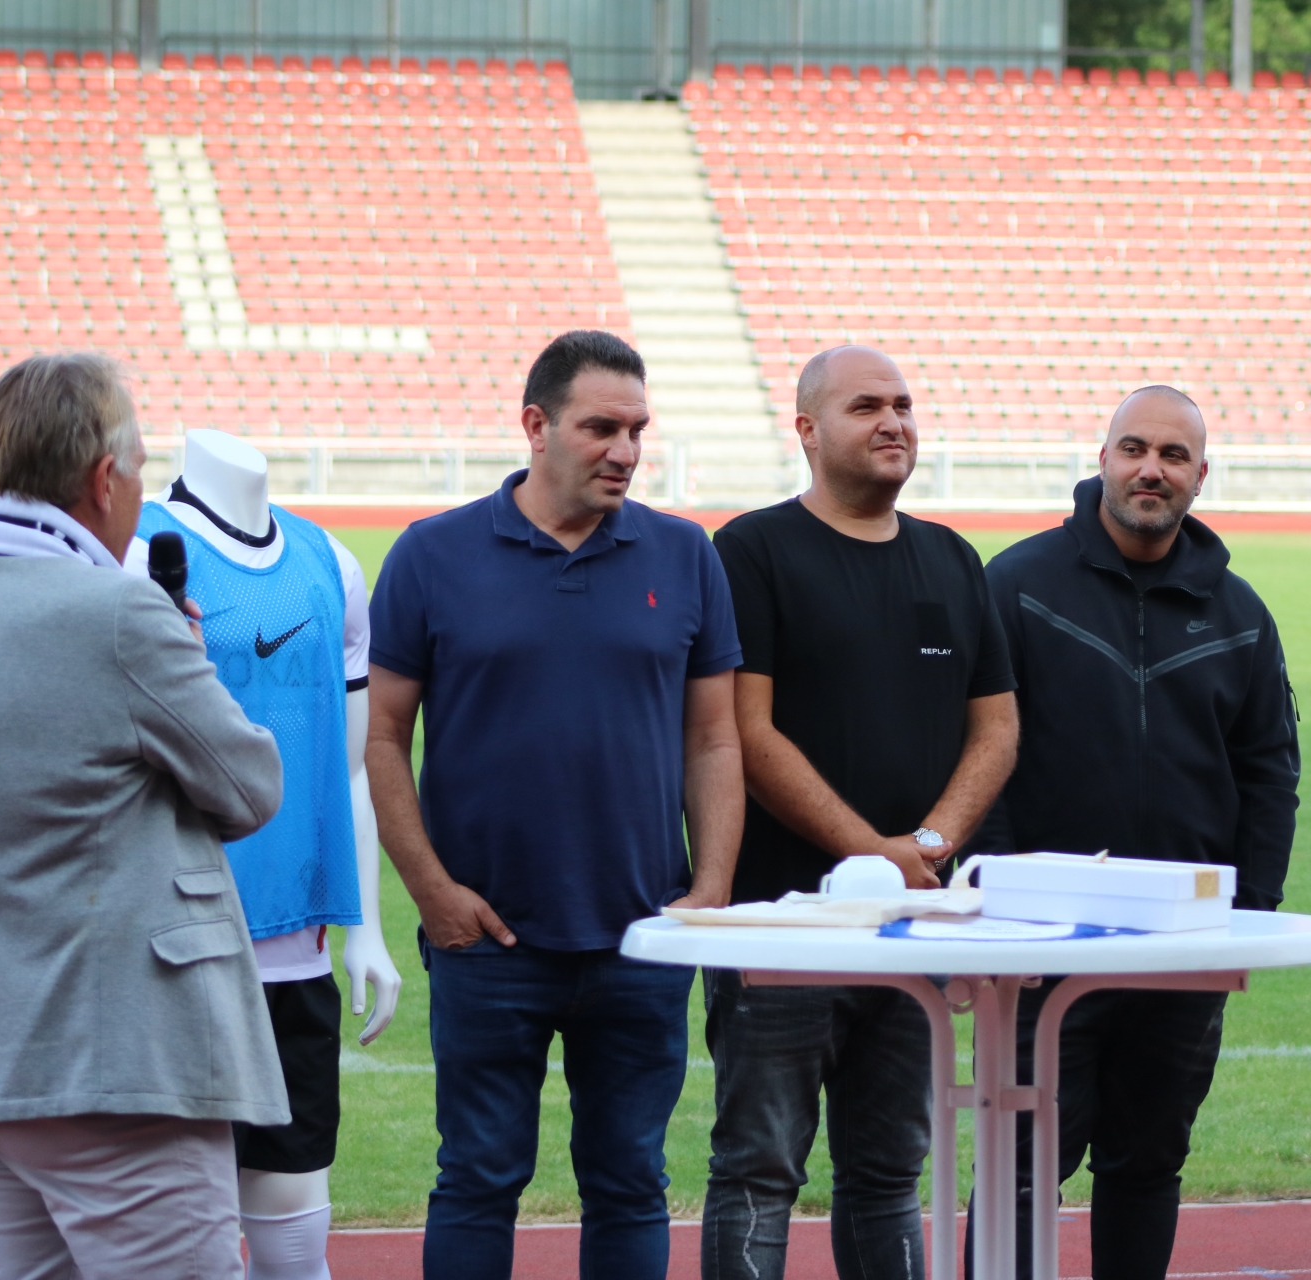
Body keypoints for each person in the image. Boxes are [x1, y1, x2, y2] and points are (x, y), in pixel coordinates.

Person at [0, 352, 289, 1280]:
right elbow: (250, 786)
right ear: (104, 479)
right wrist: (186, 659)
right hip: (114, 1063)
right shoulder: (119, 613)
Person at [367, 330, 745, 1280]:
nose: (625, 450)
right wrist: (433, 893)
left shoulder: (685, 554)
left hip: (643, 938)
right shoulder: (430, 554)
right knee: (478, 1177)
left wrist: (709, 890)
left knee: (630, 1181)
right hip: (487, 938)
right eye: (600, 428)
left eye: (638, 430)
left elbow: (714, 740)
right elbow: (383, 740)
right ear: (536, 425)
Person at [702, 345, 1019, 1280]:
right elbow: (746, 731)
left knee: (889, 1174)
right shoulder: (751, 551)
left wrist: (926, 846)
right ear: (807, 430)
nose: (894, 422)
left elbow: (998, 727)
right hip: (781, 925)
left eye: (904, 405)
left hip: (912, 928)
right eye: (866, 406)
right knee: (759, 1169)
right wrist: (873, 853)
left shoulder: (951, 558)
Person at [975, 385, 1299, 1279]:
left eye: (1173, 455)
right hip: (1044, 942)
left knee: (1148, 1162)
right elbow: (978, 755)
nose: (1151, 469)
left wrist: (1250, 910)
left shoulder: (1240, 614)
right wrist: (1000, 898)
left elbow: (1269, 772)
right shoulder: (1017, 586)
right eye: (1135, 449)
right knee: (1021, 1170)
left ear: (1201, 474)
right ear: (1104, 458)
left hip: (1182, 945)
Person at [128, 428, 402, 1280]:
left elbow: (349, 769)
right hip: (173, 956)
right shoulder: (135, 551)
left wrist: (366, 930)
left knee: (293, 1243)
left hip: (296, 958)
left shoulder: (331, 564)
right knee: (176, 1245)